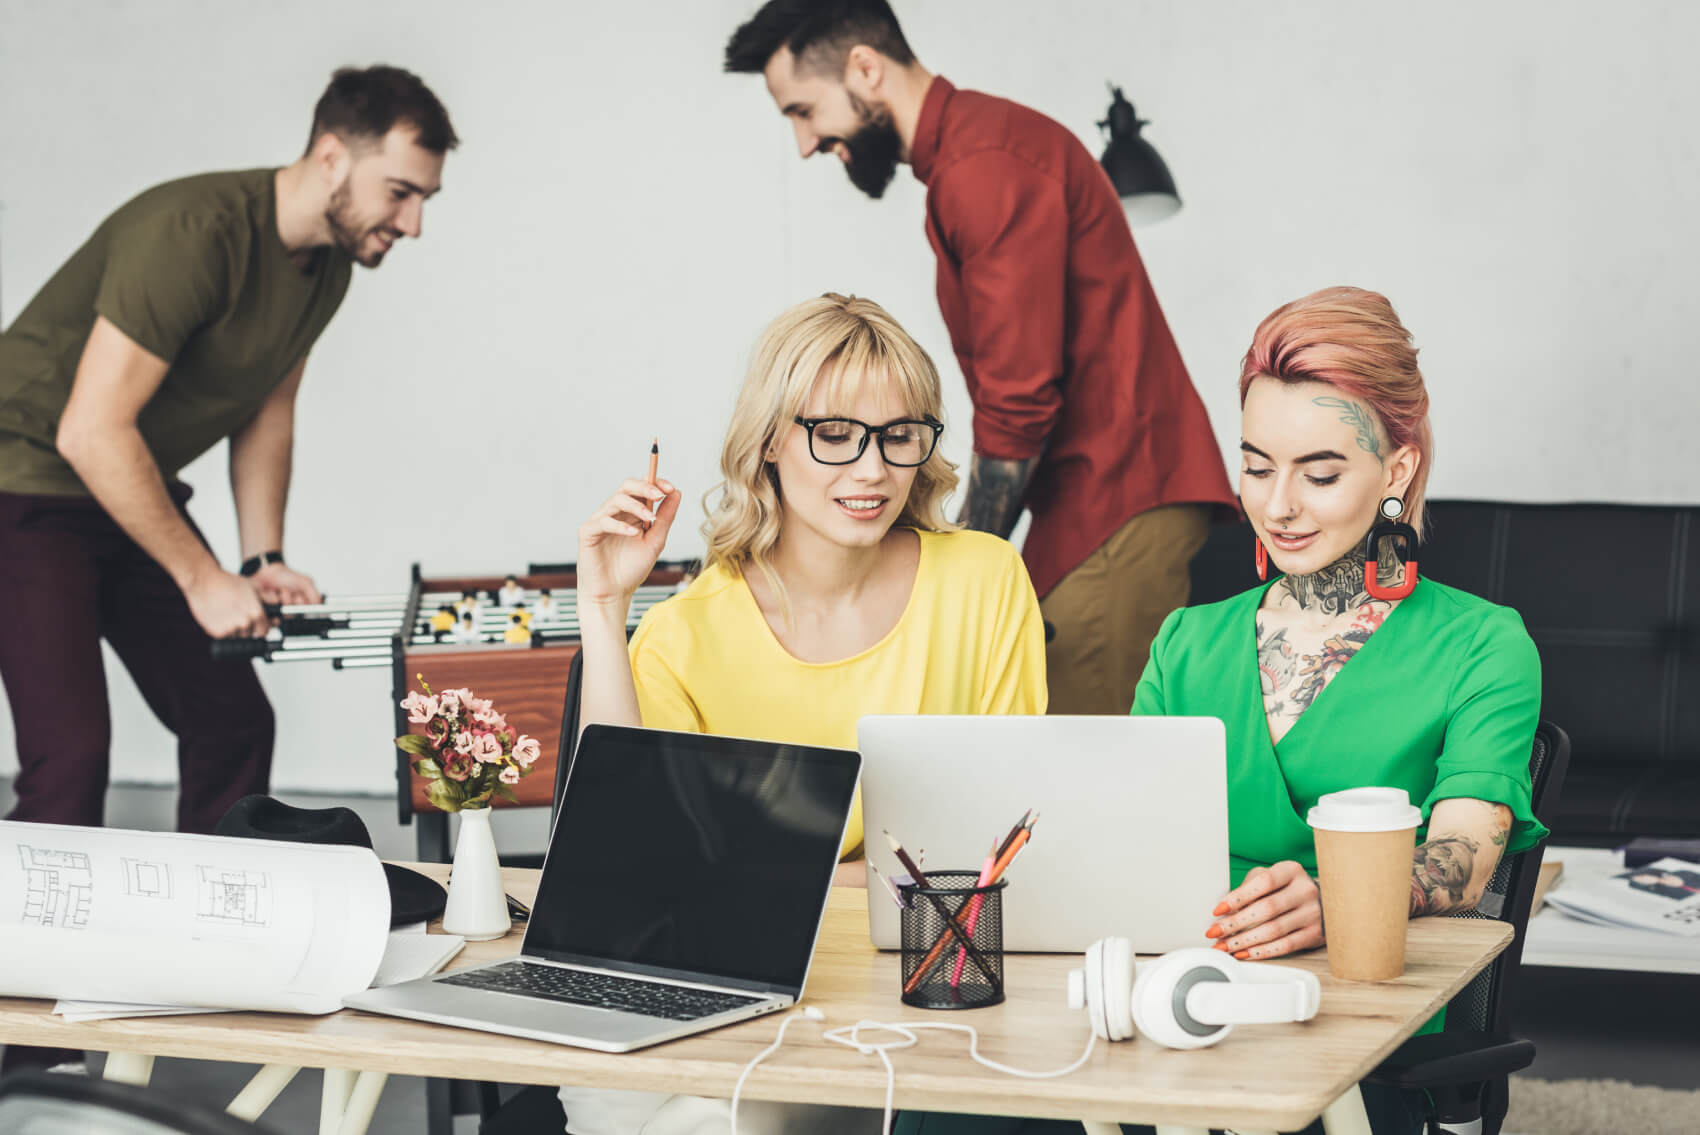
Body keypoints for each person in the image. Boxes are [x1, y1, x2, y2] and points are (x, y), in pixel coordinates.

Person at [897, 288, 1550, 1135]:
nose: (1279, 504)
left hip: (1347, 1036)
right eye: (1256, 465)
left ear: (1397, 470)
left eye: (1319, 473)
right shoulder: (1187, 641)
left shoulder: (1483, 645)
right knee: (943, 1109)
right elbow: (1116, 836)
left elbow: (1464, 857)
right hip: (1168, 1007)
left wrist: (1335, 898)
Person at [0, 65, 456, 1074]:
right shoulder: (198, 231)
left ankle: (206, 968)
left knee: (231, 721)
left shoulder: (324, 265)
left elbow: (266, 411)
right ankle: (26, 1053)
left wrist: (260, 559)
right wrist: (205, 580)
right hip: (22, 485)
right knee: (71, 756)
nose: (413, 223)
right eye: (401, 191)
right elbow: (88, 426)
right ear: (332, 156)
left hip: (117, 490)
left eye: (423, 199)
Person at [562, 292, 1046, 1135]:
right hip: (724, 986)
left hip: (905, 990)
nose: (872, 470)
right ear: (769, 443)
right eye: (834, 434)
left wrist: (775, 878)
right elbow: (636, 860)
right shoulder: (686, 631)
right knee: (651, 1107)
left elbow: (1000, 858)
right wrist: (604, 610)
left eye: (900, 435)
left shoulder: (986, 580)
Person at [723, 0, 1236, 714]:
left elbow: (1018, 401)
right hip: (1094, 504)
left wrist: (945, 565)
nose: (806, 143)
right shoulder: (971, 160)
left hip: (1115, 502)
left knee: (1075, 773)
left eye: (803, 111)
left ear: (865, 68)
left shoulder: (984, 167)